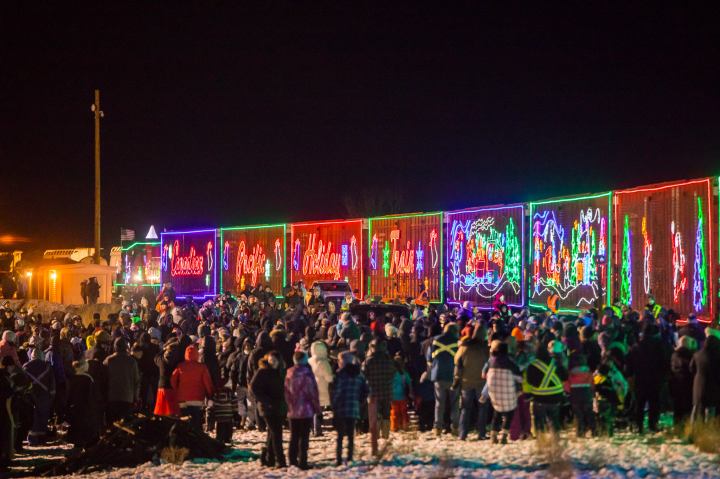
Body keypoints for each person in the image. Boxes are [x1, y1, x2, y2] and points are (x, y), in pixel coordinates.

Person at [627, 322, 669, 433]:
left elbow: (629, 364)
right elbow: (664, 363)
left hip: (639, 379)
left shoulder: (636, 347)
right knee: (654, 403)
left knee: (639, 403)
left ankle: (639, 425)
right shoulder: (659, 346)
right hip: (655, 379)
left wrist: (630, 375)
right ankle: (652, 424)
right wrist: (664, 376)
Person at [284, 351, 320, 469]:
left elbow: (286, 392)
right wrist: (317, 407)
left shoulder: (289, 373)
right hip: (306, 409)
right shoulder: (307, 374)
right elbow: (312, 392)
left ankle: (292, 459)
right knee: (304, 437)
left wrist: (287, 405)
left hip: (292, 410)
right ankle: (303, 461)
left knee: (294, 436)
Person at [250, 351, 287, 468]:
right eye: (271, 360)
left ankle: (267, 458)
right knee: (277, 433)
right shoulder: (263, 371)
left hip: (279, 407)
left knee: (272, 434)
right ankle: (280, 460)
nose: (273, 362)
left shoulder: (280, 372)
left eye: (275, 360)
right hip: (267, 408)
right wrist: (266, 401)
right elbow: (253, 388)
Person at [523, 339, 567, 434]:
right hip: (556, 396)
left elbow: (529, 381)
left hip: (539, 399)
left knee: (538, 421)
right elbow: (565, 377)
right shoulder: (556, 363)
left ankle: (541, 439)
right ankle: (555, 438)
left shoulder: (532, 365)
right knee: (554, 420)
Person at [332, 351, 368, 466]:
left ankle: (338, 458)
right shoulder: (359, 374)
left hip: (341, 409)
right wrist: (359, 402)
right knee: (351, 436)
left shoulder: (340, 375)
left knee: (340, 436)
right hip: (353, 407)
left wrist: (334, 406)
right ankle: (350, 456)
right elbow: (366, 390)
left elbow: (337, 393)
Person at [454, 322, 489, 440]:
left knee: (465, 408)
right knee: (482, 408)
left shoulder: (465, 346)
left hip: (466, 381)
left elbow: (457, 362)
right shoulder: (484, 348)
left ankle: (462, 433)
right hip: (481, 382)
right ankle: (481, 432)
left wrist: (457, 378)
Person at [362, 339, 395, 456]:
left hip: (372, 392)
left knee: (373, 417)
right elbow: (392, 373)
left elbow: (363, 375)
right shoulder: (388, 360)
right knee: (386, 413)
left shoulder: (368, 361)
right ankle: (385, 435)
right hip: (386, 391)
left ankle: (374, 441)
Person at [485, 340, 522, 444]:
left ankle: (493, 435)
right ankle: (504, 435)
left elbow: (484, 373)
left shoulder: (491, 361)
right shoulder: (510, 363)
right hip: (508, 392)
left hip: (494, 392)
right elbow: (520, 378)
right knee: (509, 413)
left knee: (497, 412)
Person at [170, 344, 213, 431]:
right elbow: (207, 382)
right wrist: (210, 393)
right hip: (197, 398)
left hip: (182, 398)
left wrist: (176, 390)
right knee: (196, 421)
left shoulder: (180, 366)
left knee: (184, 421)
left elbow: (173, 380)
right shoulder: (202, 367)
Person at [427, 322, 459, 435]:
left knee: (439, 403)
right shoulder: (457, 342)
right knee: (454, 403)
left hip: (438, 374)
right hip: (453, 375)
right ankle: (455, 426)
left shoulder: (435, 340)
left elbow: (429, 359)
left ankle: (438, 427)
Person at [104, 337, 140, 422]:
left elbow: (103, 379)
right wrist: (136, 397)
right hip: (127, 398)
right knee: (125, 426)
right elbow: (136, 382)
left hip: (111, 397)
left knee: (112, 425)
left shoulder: (108, 360)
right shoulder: (132, 361)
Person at [66, 359, 101, 448]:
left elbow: (68, 395)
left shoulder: (72, 379)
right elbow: (92, 396)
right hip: (86, 409)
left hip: (74, 408)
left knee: (77, 427)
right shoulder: (89, 379)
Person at [690, 327, 720, 426]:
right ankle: (708, 431)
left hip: (699, 385)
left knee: (697, 408)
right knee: (710, 411)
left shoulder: (698, 354)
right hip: (713, 386)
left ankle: (693, 430)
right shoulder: (718, 355)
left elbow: (692, 368)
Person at [308, 340, 333, 436]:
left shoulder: (309, 361)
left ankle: (312, 428)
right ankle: (317, 429)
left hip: (310, 387)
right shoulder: (323, 362)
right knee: (318, 410)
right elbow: (329, 377)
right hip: (322, 387)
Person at [390, 352, 412, 432]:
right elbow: (409, 383)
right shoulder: (404, 373)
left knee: (395, 412)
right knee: (403, 412)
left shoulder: (391, 374)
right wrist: (411, 392)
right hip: (402, 395)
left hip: (393, 396)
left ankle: (395, 427)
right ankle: (405, 426)